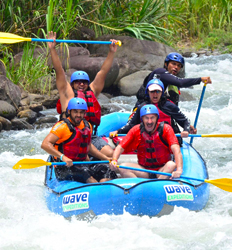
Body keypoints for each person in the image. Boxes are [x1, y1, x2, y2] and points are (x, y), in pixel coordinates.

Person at [47, 31, 119, 158]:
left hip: (89, 136)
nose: (81, 84)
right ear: (72, 84)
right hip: (68, 136)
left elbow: (103, 72)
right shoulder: (67, 93)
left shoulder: (92, 91)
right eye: (78, 82)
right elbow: (59, 70)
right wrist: (52, 49)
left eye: (84, 82)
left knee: (110, 153)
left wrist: (111, 52)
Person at [41, 97, 117, 183]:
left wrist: (105, 158)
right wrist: (63, 157)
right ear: (69, 112)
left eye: (81, 112)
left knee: (107, 171)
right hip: (64, 167)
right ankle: (96, 188)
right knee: (85, 174)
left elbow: (89, 147)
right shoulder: (62, 127)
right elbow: (45, 144)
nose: (78, 115)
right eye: (75, 112)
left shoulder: (87, 125)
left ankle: (104, 190)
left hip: (82, 164)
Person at [110, 78, 194, 145]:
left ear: (162, 93)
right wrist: (118, 131)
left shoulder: (170, 106)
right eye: (152, 91)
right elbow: (131, 124)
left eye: (158, 91)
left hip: (167, 140)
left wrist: (186, 130)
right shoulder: (142, 107)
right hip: (148, 139)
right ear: (148, 92)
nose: (155, 94)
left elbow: (185, 121)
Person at [109, 104, 183, 179]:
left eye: (152, 118)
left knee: (172, 165)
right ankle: (139, 187)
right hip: (144, 170)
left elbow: (176, 150)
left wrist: (179, 169)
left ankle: (156, 185)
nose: (149, 121)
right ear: (142, 119)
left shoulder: (166, 129)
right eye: (146, 118)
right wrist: (114, 160)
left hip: (162, 169)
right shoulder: (135, 130)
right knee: (123, 167)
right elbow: (120, 147)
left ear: (157, 118)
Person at [136, 52, 212, 106]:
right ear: (166, 64)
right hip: (143, 107)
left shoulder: (173, 83)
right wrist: (200, 79)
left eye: (179, 66)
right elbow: (180, 82)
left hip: (158, 109)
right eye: (173, 64)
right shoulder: (160, 72)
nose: (176, 67)